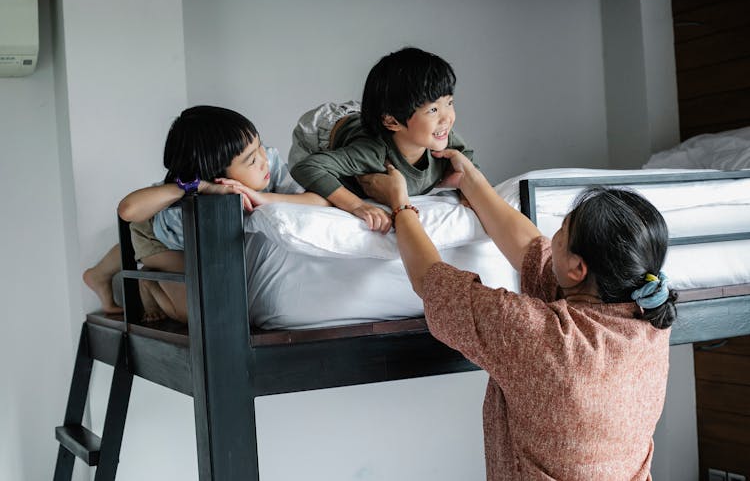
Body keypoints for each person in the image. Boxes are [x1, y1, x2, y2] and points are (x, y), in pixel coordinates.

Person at [357, 151, 678, 480]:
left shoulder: (537, 336)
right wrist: (471, 181)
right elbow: (533, 251)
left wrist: (399, 204)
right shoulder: (648, 321)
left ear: (578, 268)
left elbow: (431, 281)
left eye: (563, 231)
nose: (554, 237)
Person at [84, 105, 329, 322]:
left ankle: (100, 274)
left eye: (260, 146)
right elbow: (129, 211)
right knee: (192, 315)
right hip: (163, 237)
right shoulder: (183, 202)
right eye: (252, 160)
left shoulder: (269, 166)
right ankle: (147, 281)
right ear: (214, 173)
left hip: (199, 239)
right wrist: (199, 186)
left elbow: (319, 201)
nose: (264, 160)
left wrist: (262, 197)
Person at [289, 47, 478, 234]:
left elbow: (467, 163)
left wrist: (466, 193)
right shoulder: (371, 152)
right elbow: (307, 168)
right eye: (433, 110)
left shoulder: (443, 138)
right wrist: (357, 205)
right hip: (320, 132)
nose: (447, 118)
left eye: (449, 103)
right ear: (393, 122)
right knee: (318, 197)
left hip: (375, 118)